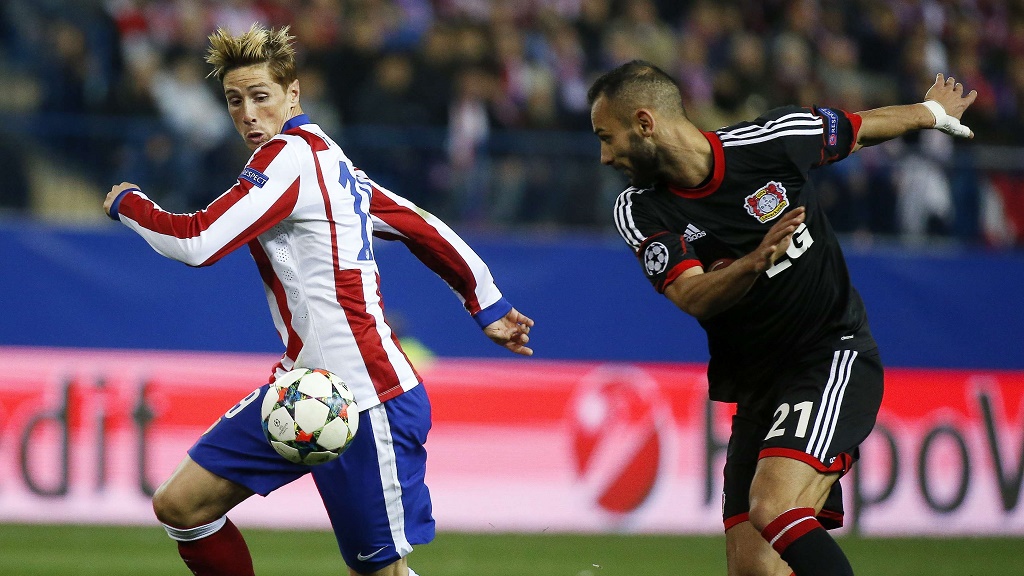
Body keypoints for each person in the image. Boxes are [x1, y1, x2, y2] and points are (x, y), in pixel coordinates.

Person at [103, 24, 534, 576]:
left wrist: (131, 203)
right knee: (182, 505)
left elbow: (196, 242)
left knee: (380, 574)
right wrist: (488, 304)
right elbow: (418, 224)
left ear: (293, 95)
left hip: (365, 397)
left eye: (261, 97)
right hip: (303, 389)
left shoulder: (289, 159)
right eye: (235, 101)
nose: (248, 114)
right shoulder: (328, 159)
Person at [587, 60, 975, 576]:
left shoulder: (772, 139)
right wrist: (754, 262)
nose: (604, 155)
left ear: (644, 123)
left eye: (606, 137)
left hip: (831, 354)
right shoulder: (639, 209)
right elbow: (692, 295)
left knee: (777, 507)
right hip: (757, 387)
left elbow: (860, 129)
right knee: (754, 570)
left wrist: (929, 112)